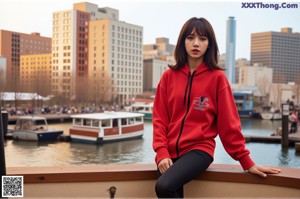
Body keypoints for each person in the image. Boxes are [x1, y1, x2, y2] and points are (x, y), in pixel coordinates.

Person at [152, 17, 281, 198]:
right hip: (169, 150)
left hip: (199, 149)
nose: (196, 43)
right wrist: (161, 151)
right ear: (182, 42)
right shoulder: (168, 76)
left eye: (203, 39)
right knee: (173, 190)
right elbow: (160, 118)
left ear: (209, 44)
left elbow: (229, 123)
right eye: (190, 38)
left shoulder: (217, 78)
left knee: (165, 186)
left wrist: (246, 161)